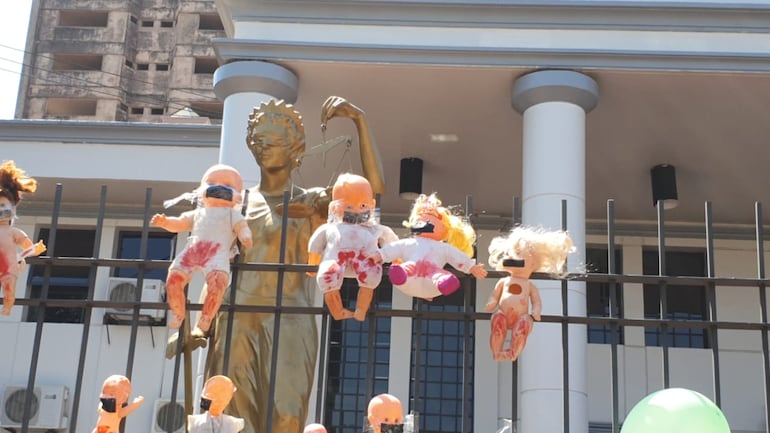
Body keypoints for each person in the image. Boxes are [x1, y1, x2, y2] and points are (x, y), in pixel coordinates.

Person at [197, 96, 386, 433]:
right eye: (261, 140)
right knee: (233, 418)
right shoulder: (237, 205)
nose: (268, 146)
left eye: (278, 140)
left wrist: (360, 119)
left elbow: (373, 190)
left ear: (296, 147)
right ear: (252, 146)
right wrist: (197, 325)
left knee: (288, 415)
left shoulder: (311, 202)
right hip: (236, 317)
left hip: (292, 317)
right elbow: (217, 264)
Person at [151, 164, 253, 331]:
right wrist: (165, 222)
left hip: (217, 254)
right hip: (193, 250)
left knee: (218, 284)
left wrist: (246, 236)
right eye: (211, 183)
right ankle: (178, 312)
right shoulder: (198, 213)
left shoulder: (232, 214)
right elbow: (180, 223)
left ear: (238, 196)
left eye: (227, 186)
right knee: (174, 279)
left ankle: (206, 317)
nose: (218, 188)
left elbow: (242, 227)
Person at [308, 172, 398, 320]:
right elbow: (316, 242)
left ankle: (361, 310)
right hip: (336, 261)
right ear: (335, 208)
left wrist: (397, 260)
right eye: (348, 206)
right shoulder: (331, 228)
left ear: (372, 205)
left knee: (372, 273)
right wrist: (313, 261)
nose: (356, 211)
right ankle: (338, 312)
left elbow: (391, 241)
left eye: (363, 205)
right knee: (327, 275)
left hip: (365, 260)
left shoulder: (374, 229)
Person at [371, 193, 487, 301]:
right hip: (411, 278)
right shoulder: (411, 243)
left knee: (439, 275)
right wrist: (381, 255)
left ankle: (443, 282)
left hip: (429, 281)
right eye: (420, 220)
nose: (423, 223)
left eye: (429, 220)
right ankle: (402, 274)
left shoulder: (441, 247)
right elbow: (394, 248)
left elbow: (456, 256)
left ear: (444, 229)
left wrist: (471, 267)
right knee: (407, 267)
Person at [485, 226, 574, 361]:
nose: (509, 257)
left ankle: (513, 352)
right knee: (498, 323)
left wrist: (536, 312)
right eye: (509, 253)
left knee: (523, 327)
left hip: (521, 316)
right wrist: (492, 302)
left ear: (533, 263)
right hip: (503, 313)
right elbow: (495, 295)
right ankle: (496, 352)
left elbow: (536, 301)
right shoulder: (504, 281)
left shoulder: (529, 286)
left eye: (517, 252)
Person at [0, 160, 46, 316]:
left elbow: (27, 246)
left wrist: (35, 249)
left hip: (9, 267)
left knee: (9, 288)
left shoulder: (13, 232)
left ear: (13, 209)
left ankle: (7, 306)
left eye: (3, 206)